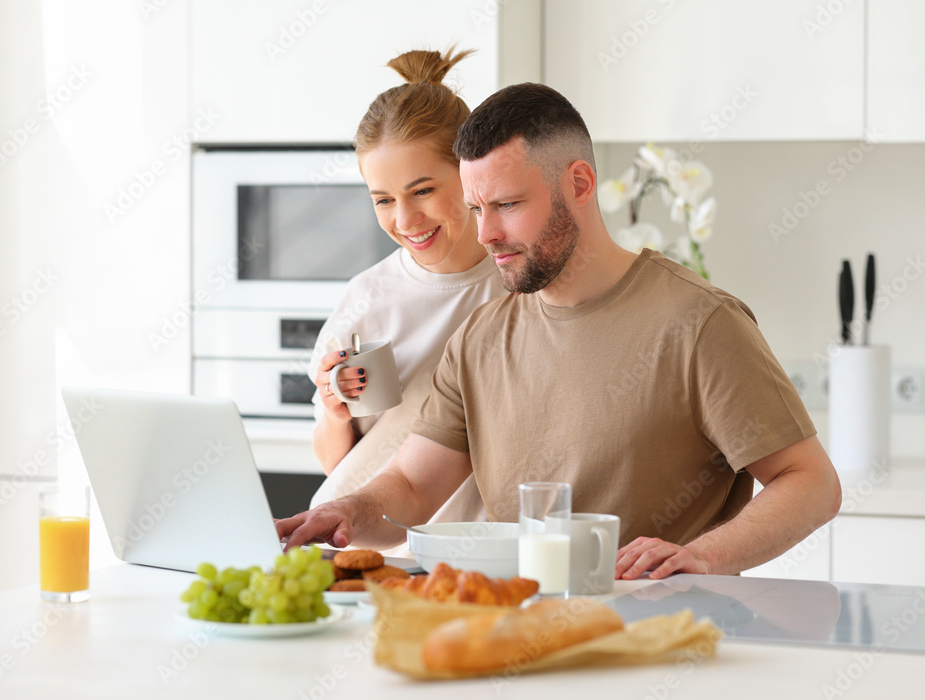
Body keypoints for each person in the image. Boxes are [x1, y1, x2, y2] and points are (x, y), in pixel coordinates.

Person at [280, 82, 842, 580]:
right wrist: (345, 514)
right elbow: (411, 487)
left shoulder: (698, 323)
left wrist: (707, 556)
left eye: (507, 204)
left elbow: (810, 481)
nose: (488, 234)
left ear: (579, 183)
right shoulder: (480, 338)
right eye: (477, 209)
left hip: (662, 640)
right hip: (520, 641)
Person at [306, 48, 507, 534]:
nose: (405, 220)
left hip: (468, 548)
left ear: (467, 172)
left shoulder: (518, 285)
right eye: (383, 200)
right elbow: (337, 467)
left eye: (422, 191)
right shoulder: (366, 297)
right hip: (362, 542)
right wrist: (335, 413)